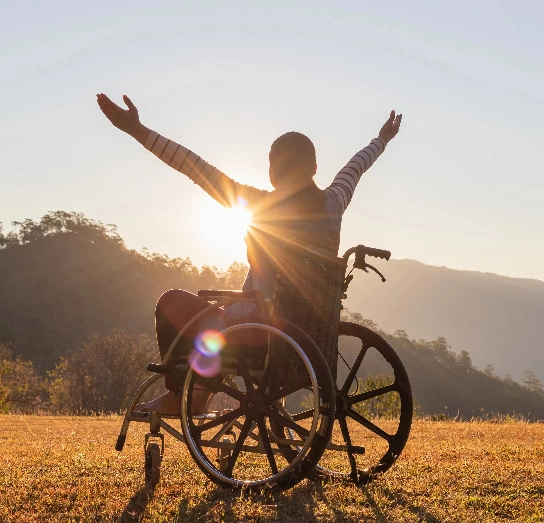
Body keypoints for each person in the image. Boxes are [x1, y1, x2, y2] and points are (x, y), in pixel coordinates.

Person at [96, 93, 402, 415]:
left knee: (172, 302)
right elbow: (356, 168)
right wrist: (382, 138)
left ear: (272, 173)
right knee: (226, 313)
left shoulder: (258, 204)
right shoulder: (334, 203)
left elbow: (193, 167)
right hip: (311, 337)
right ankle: (224, 394)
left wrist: (137, 131)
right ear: (314, 168)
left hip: (256, 334)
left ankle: (188, 398)